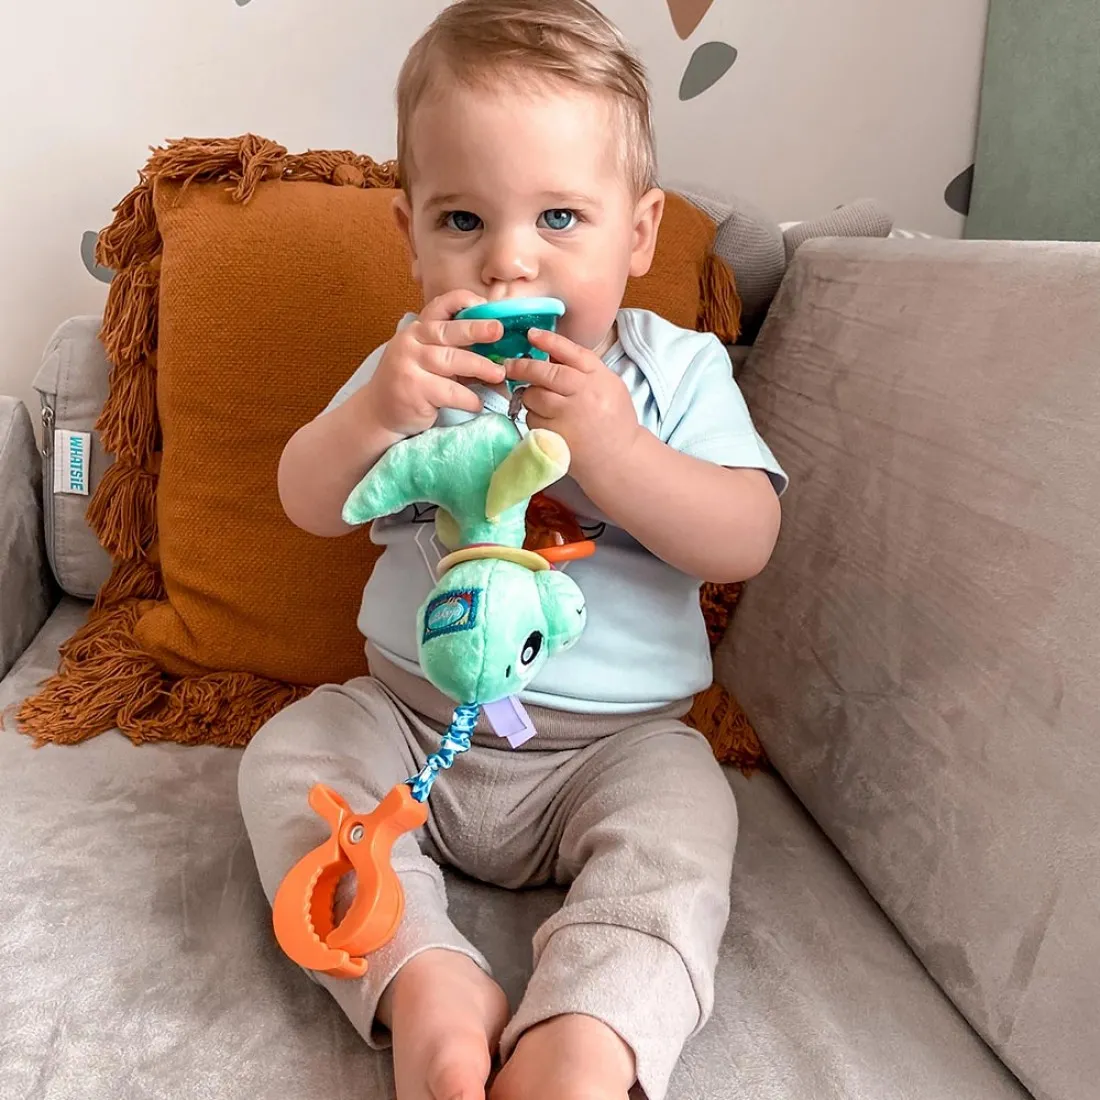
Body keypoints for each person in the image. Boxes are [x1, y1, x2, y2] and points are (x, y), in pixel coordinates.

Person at [239, 2, 787, 1097]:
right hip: (409, 718)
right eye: (462, 220)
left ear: (639, 232)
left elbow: (746, 536)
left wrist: (618, 453)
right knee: (289, 760)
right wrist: (373, 414)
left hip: (614, 747)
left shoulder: (674, 370)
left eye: (559, 217)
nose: (506, 262)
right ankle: (422, 978)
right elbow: (307, 499)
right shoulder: (412, 366)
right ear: (408, 231)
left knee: (686, 830)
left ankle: (589, 1030)